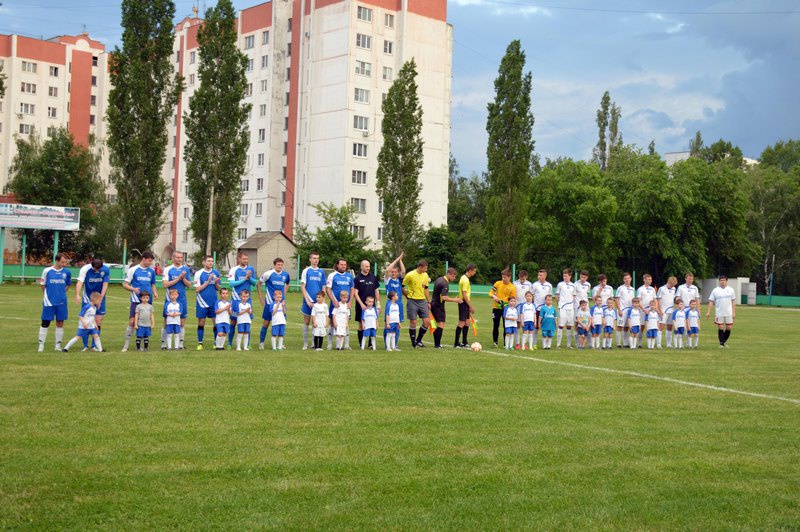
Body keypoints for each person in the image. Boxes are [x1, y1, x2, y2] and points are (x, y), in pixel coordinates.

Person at [122, 251, 157, 352]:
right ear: (144, 259)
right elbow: (125, 284)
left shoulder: (152, 271)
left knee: (145, 322)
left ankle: (141, 346)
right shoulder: (133, 270)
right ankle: (126, 345)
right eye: (149, 261)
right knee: (132, 321)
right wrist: (133, 289)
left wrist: (155, 292)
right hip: (136, 300)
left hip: (148, 301)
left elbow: (153, 284)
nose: (151, 263)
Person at [38, 253, 72, 352]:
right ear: (56, 261)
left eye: (65, 262)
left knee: (60, 322)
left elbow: (68, 285)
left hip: (62, 302)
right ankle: (41, 345)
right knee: (45, 322)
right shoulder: (47, 271)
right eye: (62, 262)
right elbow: (43, 285)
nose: (64, 264)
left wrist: (61, 294)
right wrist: (46, 296)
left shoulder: (67, 272)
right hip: (49, 301)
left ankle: (57, 346)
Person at [75, 258, 109, 350]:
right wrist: (77, 295)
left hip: (100, 296)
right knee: (86, 321)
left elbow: (105, 284)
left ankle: (95, 346)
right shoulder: (85, 269)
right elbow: (79, 282)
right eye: (95, 269)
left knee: (98, 321)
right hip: (88, 297)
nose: (97, 271)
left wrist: (101, 298)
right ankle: (85, 346)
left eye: (99, 269)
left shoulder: (105, 269)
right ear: (91, 265)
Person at [160, 252, 192, 350]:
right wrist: (179, 278)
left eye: (181, 257)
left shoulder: (186, 269)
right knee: (166, 321)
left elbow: (189, 285)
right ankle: (164, 344)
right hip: (170, 300)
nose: (179, 259)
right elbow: (165, 285)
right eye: (177, 257)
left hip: (182, 299)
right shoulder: (168, 269)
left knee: (182, 322)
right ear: (173, 258)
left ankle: (180, 344)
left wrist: (183, 278)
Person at [228, 252, 259, 348]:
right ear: (239, 259)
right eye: (244, 259)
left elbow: (254, 283)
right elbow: (231, 284)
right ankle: (229, 343)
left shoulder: (250, 269)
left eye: (247, 259)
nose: (246, 260)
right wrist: (244, 278)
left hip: (247, 300)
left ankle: (247, 345)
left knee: (247, 321)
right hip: (236, 299)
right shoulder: (234, 270)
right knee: (233, 321)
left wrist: (249, 278)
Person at [259, 258, 291, 350]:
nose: (280, 266)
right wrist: (261, 298)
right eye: (278, 264)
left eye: (281, 264)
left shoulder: (285, 275)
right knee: (266, 323)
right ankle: (261, 342)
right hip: (269, 303)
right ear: (274, 265)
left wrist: (283, 295)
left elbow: (287, 283)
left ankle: (280, 345)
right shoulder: (268, 274)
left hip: (281, 304)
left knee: (281, 322)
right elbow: (259, 284)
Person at [402, 260, 432, 348]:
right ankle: (413, 343)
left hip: (422, 301)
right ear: (420, 267)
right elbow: (402, 286)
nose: (426, 270)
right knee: (413, 322)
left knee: (427, 322)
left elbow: (426, 288)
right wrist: (407, 296)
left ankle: (418, 341)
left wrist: (428, 301)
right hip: (412, 301)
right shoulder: (410, 275)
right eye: (425, 268)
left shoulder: (425, 275)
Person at [193, 255, 221, 351]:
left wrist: (216, 283)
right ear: (204, 262)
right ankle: (200, 343)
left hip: (214, 301)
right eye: (208, 261)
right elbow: (197, 289)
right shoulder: (198, 273)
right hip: (202, 302)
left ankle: (215, 343)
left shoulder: (216, 273)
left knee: (216, 323)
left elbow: (218, 289)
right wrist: (208, 281)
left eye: (212, 261)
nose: (210, 263)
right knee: (201, 322)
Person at [300, 252, 327, 350]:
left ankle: (313, 343)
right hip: (308, 301)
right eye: (314, 258)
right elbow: (303, 286)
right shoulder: (306, 271)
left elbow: (324, 286)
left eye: (317, 258)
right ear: (310, 259)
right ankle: (305, 343)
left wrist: (323, 300)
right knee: (306, 322)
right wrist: (307, 300)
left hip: (319, 302)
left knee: (317, 322)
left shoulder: (321, 272)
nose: (316, 260)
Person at [430, 267, 462, 349]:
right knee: (441, 324)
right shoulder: (445, 283)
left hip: (433, 303)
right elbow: (444, 297)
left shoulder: (439, 279)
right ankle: (437, 345)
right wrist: (455, 300)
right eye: (453, 276)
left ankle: (436, 344)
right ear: (448, 274)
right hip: (438, 305)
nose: (454, 278)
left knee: (438, 324)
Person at [326, 259, 355, 349]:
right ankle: (330, 344)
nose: (343, 266)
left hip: (346, 305)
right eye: (341, 264)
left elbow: (352, 289)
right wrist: (334, 301)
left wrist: (350, 301)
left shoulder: (349, 276)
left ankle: (346, 345)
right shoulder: (332, 275)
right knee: (332, 322)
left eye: (344, 265)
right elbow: (328, 289)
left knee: (345, 323)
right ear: (337, 265)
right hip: (335, 304)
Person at [354, 260, 381, 348]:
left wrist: (378, 303)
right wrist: (361, 304)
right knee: (361, 325)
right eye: (366, 266)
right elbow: (355, 293)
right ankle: (361, 343)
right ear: (361, 267)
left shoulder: (373, 277)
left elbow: (376, 291)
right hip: (361, 306)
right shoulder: (357, 278)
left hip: (372, 306)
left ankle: (370, 344)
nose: (368, 268)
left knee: (372, 323)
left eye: (369, 266)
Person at [383, 253, 407, 347]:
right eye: (392, 272)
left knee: (397, 325)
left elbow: (404, 272)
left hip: (399, 304)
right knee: (387, 324)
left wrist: (401, 261)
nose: (393, 273)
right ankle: (387, 344)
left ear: (397, 273)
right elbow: (388, 269)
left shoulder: (399, 280)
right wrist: (397, 259)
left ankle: (395, 345)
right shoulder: (387, 280)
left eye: (395, 272)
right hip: (390, 304)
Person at [707, 275, 736, 348]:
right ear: (719, 281)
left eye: (724, 280)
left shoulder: (731, 290)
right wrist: (708, 312)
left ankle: (723, 341)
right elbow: (711, 301)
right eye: (721, 280)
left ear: (726, 281)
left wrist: (734, 312)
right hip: (719, 312)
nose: (722, 282)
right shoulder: (715, 290)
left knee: (729, 327)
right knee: (720, 327)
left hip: (728, 312)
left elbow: (733, 302)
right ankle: (721, 344)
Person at [489, 269, 516, 348]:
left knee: (506, 325)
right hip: (496, 308)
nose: (503, 279)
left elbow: (513, 299)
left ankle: (505, 343)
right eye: (502, 277)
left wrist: (505, 303)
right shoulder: (498, 283)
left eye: (505, 277)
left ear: (509, 277)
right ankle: (495, 342)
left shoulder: (512, 287)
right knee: (495, 325)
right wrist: (494, 296)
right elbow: (490, 292)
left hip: (506, 309)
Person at [454, 264, 477, 349]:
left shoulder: (464, 278)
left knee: (467, 322)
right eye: (474, 271)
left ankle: (464, 342)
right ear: (470, 270)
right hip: (463, 303)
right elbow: (464, 294)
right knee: (462, 322)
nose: (475, 273)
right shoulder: (465, 280)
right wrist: (470, 306)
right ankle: (456, 343)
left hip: (465, 303)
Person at [531, 269, 553, 348]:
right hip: (537, 309)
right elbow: (532, 296)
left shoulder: (549, 285)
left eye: (541, 275)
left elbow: (550, 297)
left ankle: (546, 344)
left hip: (546, 309)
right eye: (538, 275)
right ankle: (534, 344)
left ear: (545, 276)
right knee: (536, 327)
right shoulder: (534, 285)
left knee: (546, 327)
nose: (539, 277)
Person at [555, 268, 577, 349]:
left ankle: (568, 344)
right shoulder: (560, 284)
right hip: (562, 307)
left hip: (570, 308)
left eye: (566, 276)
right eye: (564, 276)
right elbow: (557, 296)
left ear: (570, 276)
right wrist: (559, 305)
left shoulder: (573, 285)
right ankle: (558, 344)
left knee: (569, 326)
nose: (565, 278)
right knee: (561, 326)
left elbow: (574, 296)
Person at [513, 270, 532, 348]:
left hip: (526, 308)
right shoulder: (515, 283)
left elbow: (530, 296)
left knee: (526, 326)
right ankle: (517, 343)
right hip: (517, 307)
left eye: (523, 278)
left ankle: (525, 343)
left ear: (526, 277)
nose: (522, 279)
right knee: (517, 325)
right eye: (520, 278)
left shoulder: (529, 284)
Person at [615, 272, 635, 348]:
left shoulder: (632, 289)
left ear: (631, 279)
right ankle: (618, 344)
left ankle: (626, 344)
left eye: (628, 278)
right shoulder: (620, 288)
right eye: (625, 279)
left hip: (629, 311)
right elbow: (617, 299)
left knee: (626, 327)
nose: (627, 280)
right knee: (620, 326)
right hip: (622, 310)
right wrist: (619, 309)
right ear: (623, 280)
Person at [657, 276, 678, 348]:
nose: (673, 286)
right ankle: (658, 344)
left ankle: (669, 344)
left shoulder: (674, 289)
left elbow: (673, 299)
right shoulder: (662, 289)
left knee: (669, 327)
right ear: (669, 282)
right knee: (661, 327)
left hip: (671, 310)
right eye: (672, 284)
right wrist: (659, 310)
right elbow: (658, 300)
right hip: (663, 311)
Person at [636, 274, 658, 346]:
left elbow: (655, 300)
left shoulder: (652, 289)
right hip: (643, 311)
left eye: (651, 279)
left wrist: (656, 308)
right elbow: (638, 301)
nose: (650, 281)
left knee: (652, 326)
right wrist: (644, 309)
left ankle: (651, 343)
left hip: (651, 311)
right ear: (644, 280)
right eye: (648, 279)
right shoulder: (640, 289)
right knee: (642, 327)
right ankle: (639, 343)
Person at [573, 270, 592, 346]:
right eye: (581, 277)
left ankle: (584, 343)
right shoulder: (575, 284)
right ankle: (577, 343)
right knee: (577, 324)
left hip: (586, 306)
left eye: (584, 277)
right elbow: (574, 295)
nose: (582, 279)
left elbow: (586, 295)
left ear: (587, 277)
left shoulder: (588, 285)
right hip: (577, 306)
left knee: (586, 322)